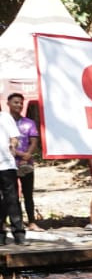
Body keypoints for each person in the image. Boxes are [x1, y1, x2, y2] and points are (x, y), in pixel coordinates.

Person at [8, 93, 38, 231]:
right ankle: (17, 223)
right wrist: (19, 154)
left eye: (21, 103)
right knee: (12, 195)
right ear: (8, 104)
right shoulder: (4, 123)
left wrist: (28, 154)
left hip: (26, 164)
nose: (19, 105)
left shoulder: (28, 123)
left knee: (28, 194)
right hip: (8, 164)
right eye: (15, 102)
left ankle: (32, 222)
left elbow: (34, 140)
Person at [0, 105, 23, 245]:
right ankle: (1, 234)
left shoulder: (5, 117)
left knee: (12, 200)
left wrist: (13, 146)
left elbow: (14, 137)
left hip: (6, 165)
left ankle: (19, 234)